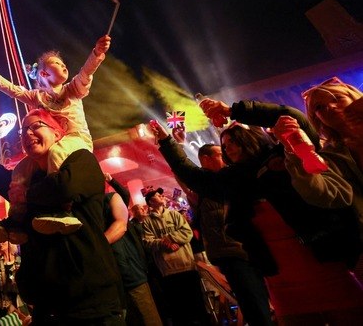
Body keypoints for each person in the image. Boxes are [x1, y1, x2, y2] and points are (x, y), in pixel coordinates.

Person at [155, 97, 363, 323]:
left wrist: (234, 110)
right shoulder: (231, 179)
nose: (228, 148)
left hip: (327, 266)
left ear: (251, 137)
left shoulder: (286, 154)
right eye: (224, 146)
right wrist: (167, 143)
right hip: (280, 280)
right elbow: (192, 176)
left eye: (233, 141)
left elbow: (292, 117)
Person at [0, 110, 125, 324]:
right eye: (23, 130)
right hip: (47, 306)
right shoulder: (23, 180)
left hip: (91, 302)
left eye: (37, 125)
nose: (28, 132)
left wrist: (26, 195)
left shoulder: (81, 159)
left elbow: (65, 188)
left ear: (57, 134)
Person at [0, 35, 111, 242]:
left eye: (62, 63)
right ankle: (17, 220)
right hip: (53, 144)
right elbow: (11, 90)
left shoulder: (73, 90)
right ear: (44, 74)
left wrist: (97, 53)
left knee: (56, 153)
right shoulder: (37, 96)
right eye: (56, 63)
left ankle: (62, 209)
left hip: (77, 140)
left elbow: (86, 72)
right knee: (21, 169)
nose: (63, 65)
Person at [160, 137, 274, 325]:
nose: (226, 157)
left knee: (265, 301)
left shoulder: (232, 178)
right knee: (256, 307)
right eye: (221, 153)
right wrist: (176, 144)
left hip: (253, 250)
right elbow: (183, 176)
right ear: (205, 159)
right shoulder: (202, 187)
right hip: (233, 254)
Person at [271, 77, 363, 258]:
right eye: (318, 108)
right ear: (316, 118)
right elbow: (324, 194)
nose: (329, 107)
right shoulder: (331, 156)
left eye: (336, 99)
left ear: (353, 97)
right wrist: (295, 151)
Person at [141, 187, 211, 326]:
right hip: (168, 270)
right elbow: (147, 242)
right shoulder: (147, 222)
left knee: (197, 304)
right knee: (179, 309)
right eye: (156, 195)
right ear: (150, 202)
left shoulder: (175, 215)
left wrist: (169, 238)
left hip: (187, 265)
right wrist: (164, 243)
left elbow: (187, 232)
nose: (161, 195)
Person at [104, 175, 163, 326]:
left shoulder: (108, 201)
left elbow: (123, 195)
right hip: (114, 279)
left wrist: (111, 180)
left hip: (131, 273)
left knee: (148, 317)